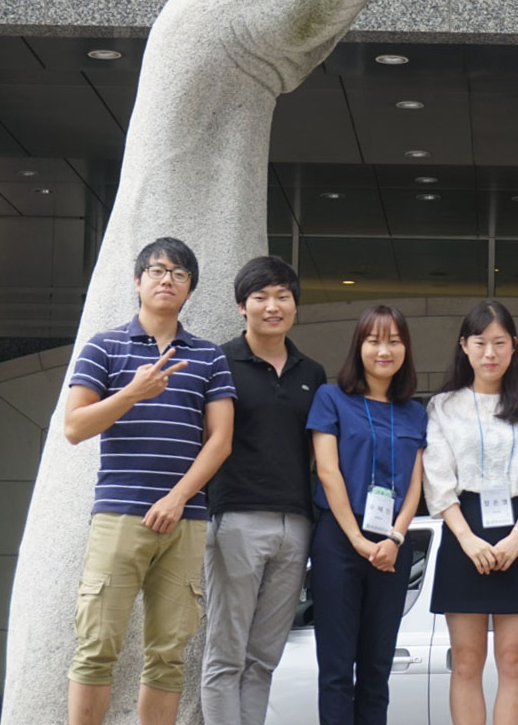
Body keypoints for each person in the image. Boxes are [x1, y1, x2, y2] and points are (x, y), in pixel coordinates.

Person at [62, 237, 235, 725]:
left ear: (190, 290)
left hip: (185, 519)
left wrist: (178, 498)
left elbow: (220, 441)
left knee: (168, 655)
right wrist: (132, 393)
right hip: (118, 515)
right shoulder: (103, 346)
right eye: (157, 271)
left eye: (179, 274)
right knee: (96, 647)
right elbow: (74, 427)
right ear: (137, 281)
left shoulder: (208, 357)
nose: (167, 280)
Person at [200, 256, 327, 725]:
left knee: (263, 658)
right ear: (242, 305)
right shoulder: (218, 362)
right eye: (261, 297)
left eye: (282, 297)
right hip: (235, 519)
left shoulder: (312, 372)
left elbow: (314, 453)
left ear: (294, 304)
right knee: (225, 655)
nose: (273, 306)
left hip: (295, 525)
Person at [423, 300, 518, 725]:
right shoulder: (442, 406)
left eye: (499, 343)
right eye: (480, 343)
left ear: (514, 346)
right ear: (464, 346)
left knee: (514, 659)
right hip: (464, 529)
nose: (490, 353)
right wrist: (467, 539)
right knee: (466, 661)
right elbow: (437, 478)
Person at [306, 304, 428, 725]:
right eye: (374, 341)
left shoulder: (415, 411)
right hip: (339, 540)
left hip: (393, 544)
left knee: (377, 668)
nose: (384, 351)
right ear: (359, 346)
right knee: (337, 668)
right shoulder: (331, 398)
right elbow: (327, 471)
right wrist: (358, 539)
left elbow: (415, 485)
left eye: (394, 341)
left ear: (405, 349)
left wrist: (395, 538)